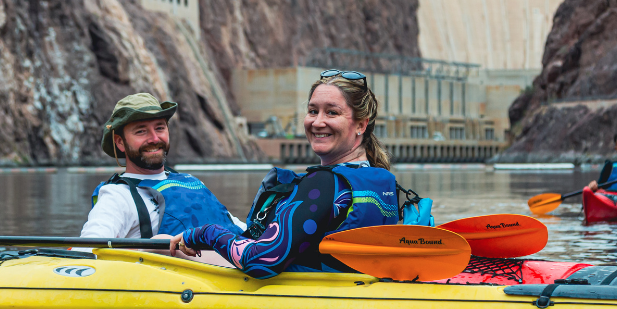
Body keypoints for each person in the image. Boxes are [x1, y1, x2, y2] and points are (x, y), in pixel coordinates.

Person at [167, 70, 399, 278]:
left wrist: (206, 233)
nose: (318, 122)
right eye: (312, 111)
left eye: (332, 113)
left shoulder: (325, 183)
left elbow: (260, 261)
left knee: (160, 244)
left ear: (361, 124)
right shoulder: (382, 179)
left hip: (311, 297)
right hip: (354, 290)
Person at [81, 93, 241, 240]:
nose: (154, 138)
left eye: (160, 128)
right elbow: (88, 248)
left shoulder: (190, 181)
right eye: (141, 131)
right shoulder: (117, 196)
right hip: (178, 268)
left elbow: (235, 226)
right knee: (161, 241)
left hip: (235, 263)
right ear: (120, 142)